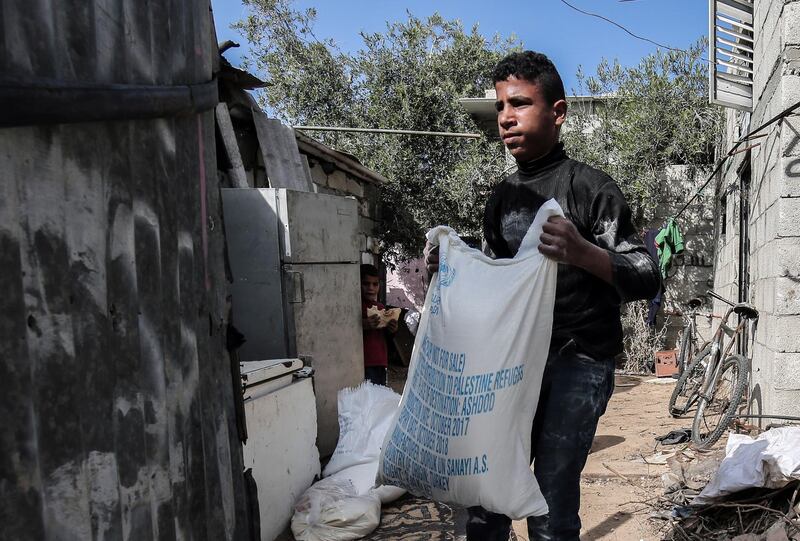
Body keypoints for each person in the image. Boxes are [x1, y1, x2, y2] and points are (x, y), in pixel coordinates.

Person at [425, 51, 661, 540]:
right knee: (485, 495)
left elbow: (645, 273)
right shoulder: (502, 197)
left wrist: (582, 252)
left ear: (557, 112)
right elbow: (493, 281)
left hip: (580, 361)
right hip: (511, 362)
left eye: (519, 103)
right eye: (500, 107)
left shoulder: (592, 189)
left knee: (551, 502)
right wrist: (451, 270)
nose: (506, 117)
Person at [360, 264, 398, 386]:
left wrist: (392, 330)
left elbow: (386, 337)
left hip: (381, 362)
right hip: (364, 364)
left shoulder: (381, 308)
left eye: (375, 284)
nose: (371, 288)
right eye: (366, 284)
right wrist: (363, 324)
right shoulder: (356, 306)